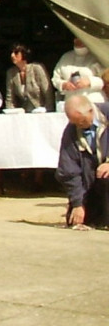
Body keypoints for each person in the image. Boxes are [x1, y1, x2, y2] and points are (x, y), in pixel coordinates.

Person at [55, 94, 109, 229]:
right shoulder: (72, 130)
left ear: (91, 110)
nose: (79, 125)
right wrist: (78, 203)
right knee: (78, 220)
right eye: (75, 123)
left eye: (82, 121)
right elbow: (68, 170)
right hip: (90, 184)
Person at [52, 38, 105, 105]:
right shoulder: (66, 57)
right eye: (76, 39)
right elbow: (55, 78)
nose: (79, 41)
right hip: (71, 102)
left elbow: (106, 78)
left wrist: (90, 81)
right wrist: (63, 84)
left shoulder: (97, 56)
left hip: (94, 101)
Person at [5, 43, 53, 112]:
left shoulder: (37, 68)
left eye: (16, 53)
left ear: (24, 54)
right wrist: (10, 113)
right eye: (11, 53)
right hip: (23, 113)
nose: (12, 55)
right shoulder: (11, 72)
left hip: (41, 111)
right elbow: (10, 98)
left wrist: (48, 110)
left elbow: (48, 93)